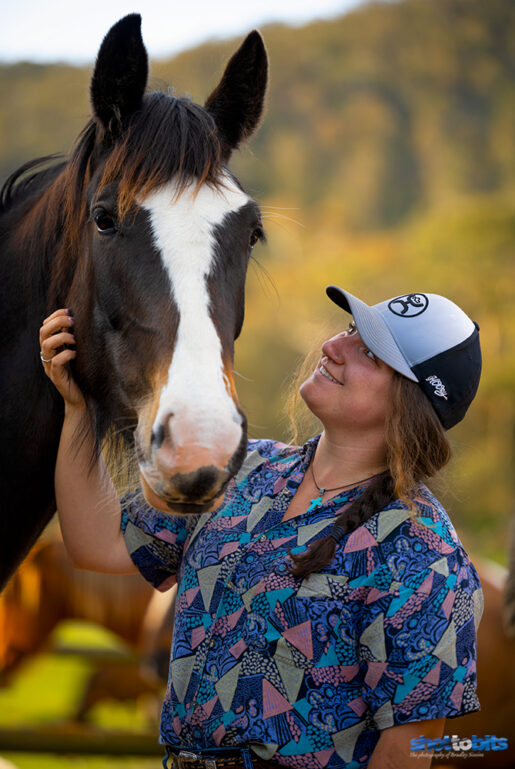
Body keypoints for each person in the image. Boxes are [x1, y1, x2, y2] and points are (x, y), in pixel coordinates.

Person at [39, 287, 484, 769]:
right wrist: (79, 408)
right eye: (352, 330)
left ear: (411, 402)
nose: (333, 345)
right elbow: (97, 542)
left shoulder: (425, 553)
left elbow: (406, 752)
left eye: (370, 353)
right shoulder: (245, 468)